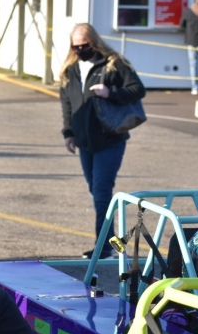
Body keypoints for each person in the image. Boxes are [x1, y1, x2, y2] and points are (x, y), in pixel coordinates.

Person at [59, 23, 145, 259]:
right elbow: (67, 103)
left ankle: (104, 248)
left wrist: (111, 93)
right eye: (75, 47)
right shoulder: (70, 70)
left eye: (84, 45)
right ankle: (113, 244)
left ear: (94, 42)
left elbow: (138, 89)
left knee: (101, 191)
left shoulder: (114, 63)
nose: (80, 50)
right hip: (85, 142)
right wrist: (68, 132)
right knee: (96, 193)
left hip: (109, 139)